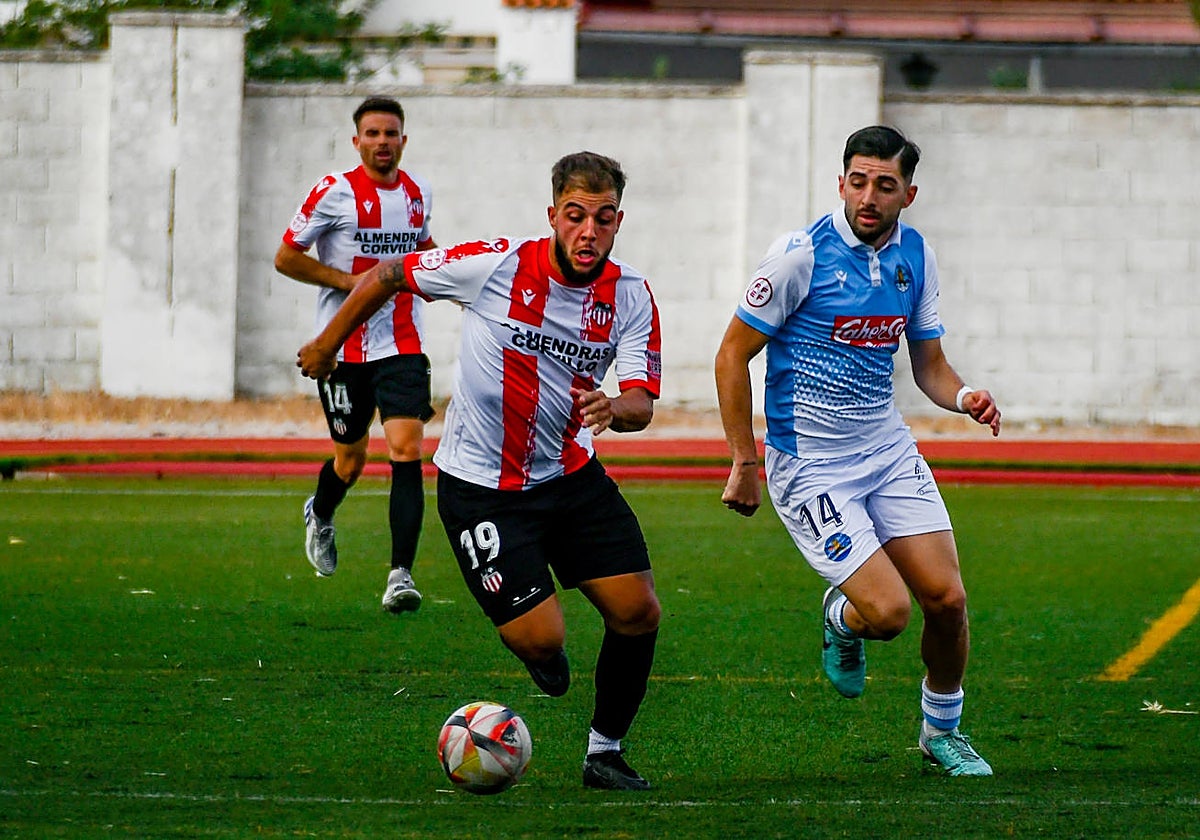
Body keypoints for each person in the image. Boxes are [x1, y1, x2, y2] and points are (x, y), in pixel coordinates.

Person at [298, 151, 663, 791]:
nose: (588, 231)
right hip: (480, 490)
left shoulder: (630, 295)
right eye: (575, 216)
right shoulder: (494, 265)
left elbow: (640, 399)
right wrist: (329, 342)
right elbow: (387, 273)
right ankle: (540, 654)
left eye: (603, 220)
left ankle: (605, 754)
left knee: (639, 612)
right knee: (543, 641)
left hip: (571, 477)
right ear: (553, 215)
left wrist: (617, 406)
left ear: (617, 222)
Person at [714, 125, 1001, 777]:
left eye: (886, 184)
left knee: (949, 601)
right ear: (841, 182)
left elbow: (929, 365)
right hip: (811, 465)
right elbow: (732, 355)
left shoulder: (917, 257)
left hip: (887, 451)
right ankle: (843, 617)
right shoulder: (799, 257)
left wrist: (966, 397)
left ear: (910, 193)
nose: (869, 196)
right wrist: (743, 459)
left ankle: (941, 734)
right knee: (890, 613)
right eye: (859, 180)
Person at [275, 96, 438, 614]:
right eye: (372, 133)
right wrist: (349, 283)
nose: (382, 142)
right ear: (357, 141)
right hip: (342, 347)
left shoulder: (418, 194)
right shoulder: (334, 191)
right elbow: (286, 258)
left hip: (402, 342)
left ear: (403, 140)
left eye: (391, 133)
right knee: (350, 460)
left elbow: (424, 248)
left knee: (407, 448)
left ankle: (400, 576)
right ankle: (321, 511)